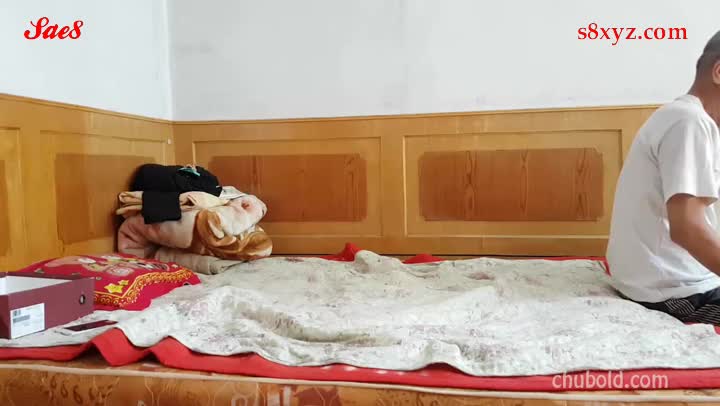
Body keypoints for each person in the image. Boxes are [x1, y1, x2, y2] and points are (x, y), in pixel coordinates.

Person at [607, 30, 720, 324]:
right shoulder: (688, 122)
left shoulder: (689, 120)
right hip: (674, 290)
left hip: (667, 278)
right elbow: (687, 229)